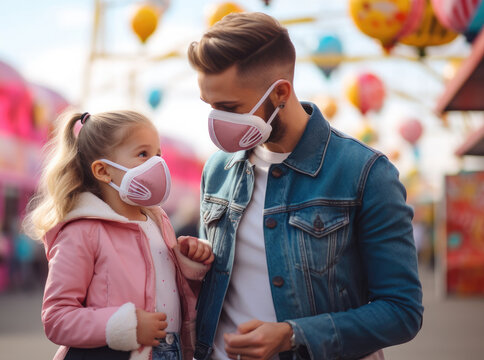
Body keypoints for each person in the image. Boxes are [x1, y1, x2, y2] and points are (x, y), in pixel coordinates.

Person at [187, 12, 423, 360]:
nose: (217, 121)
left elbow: (402, 311)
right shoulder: (219, 170)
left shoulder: (366, 173)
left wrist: (292, 335)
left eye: (229, 108)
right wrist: (190, 261)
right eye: (210, 106)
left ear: (280, 92)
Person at [24, 110, 214, 360]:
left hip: (171, 350)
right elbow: (57, 318)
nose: (157, 164)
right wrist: (125, 326)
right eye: (143, 154)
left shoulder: (159, 220)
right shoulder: (82, 230)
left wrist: (189, 262)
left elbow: (163, 287)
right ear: (103, 171)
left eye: (158, 154)